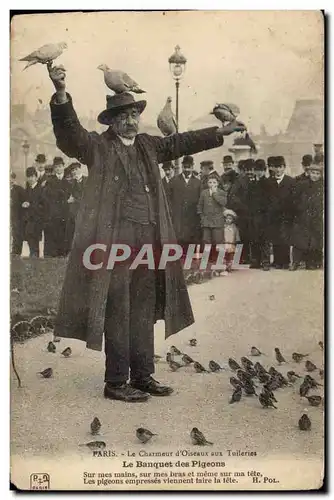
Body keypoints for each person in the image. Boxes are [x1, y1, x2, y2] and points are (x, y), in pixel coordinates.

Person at [48, 62, 245, 403]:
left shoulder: (148, 146)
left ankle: (142, 376)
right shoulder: (97, 147)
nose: (130, 120)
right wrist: (62, 94)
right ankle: (115, 382)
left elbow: (182, 143)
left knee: (143, 306)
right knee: (118, 308)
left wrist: (221, 133)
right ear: (110, 121)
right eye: (122, 115)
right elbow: (69, 135)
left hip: (149, 242)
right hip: (113, 244)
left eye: (134, 114)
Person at [291, 162, 323, 270]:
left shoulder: (323, 186)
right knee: (299, 240)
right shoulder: (302, 184)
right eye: (313, 173)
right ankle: (295, 262)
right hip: (302, 217)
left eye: (317, 173)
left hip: (316, 217)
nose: (315, 175)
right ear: (309, 173)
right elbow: (294, 199)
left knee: (314, 241)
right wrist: (300, 209)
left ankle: (311, 262)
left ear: (321, 175)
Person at [265, 156, 295, 269]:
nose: (278, 170)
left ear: (284, 167)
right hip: (273, 215)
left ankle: (285, 261)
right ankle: (277, 261)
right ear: (272, 168)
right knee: (275, 237)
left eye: (280, 167)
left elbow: (293, 199)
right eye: (276, 167)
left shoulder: (291, 181)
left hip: (286, 214)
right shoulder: (269, 182)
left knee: (285, 237)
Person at [169, 155, 202, 257]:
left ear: (192, 167)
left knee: (192, 237)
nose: (187, 169)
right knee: (179, 236)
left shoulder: (198, 182)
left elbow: (200, 200)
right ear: (182, 167)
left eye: (189, 166)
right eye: (185, 166)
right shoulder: (174, 181)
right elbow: (168, 198)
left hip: (192, 215)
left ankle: (190, 262)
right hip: (178, 215)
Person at [43, 156, 72, 257]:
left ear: (63, 166)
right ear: (54, 169)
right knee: (55, 233)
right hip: (55, 213)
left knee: (65, 233)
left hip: (66, 212)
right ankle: (56, 254)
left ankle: (64, 254)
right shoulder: (50, 181)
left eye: (60, 166)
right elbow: (47, 196)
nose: (58, 169)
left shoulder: (70, 180)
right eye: (56, 167)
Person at [197, 174, 227, 263]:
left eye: (214, 182)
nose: (212, 184)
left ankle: (220, 259)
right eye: (210, 182)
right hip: (206, 221)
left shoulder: (221, 192)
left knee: (218, 240)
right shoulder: (204, 193)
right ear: (207, 183)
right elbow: (200, 205)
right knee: (206, 240)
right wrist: (201, 216)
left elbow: (223, 202)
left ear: (218, 183)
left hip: (218, 221)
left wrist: (214, 193)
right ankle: (207, 259)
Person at [22, 167, 44, 257]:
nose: (30, 179)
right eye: (28, 177)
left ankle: (35, 260)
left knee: (35, 242)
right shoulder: (28, 189)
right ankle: (33, 259)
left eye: (32, 176)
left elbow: (42, 205)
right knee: (30, 241)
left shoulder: (41, 189)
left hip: (37, 220)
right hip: (29, 220)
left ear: (36, 177)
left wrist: (29, 205)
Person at [10, 172, 25, 256]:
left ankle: (16, 253)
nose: (9, 180)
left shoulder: (19, 189)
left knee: (17, 236)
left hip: (16, 217)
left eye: (11, 178)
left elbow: (25, 201)